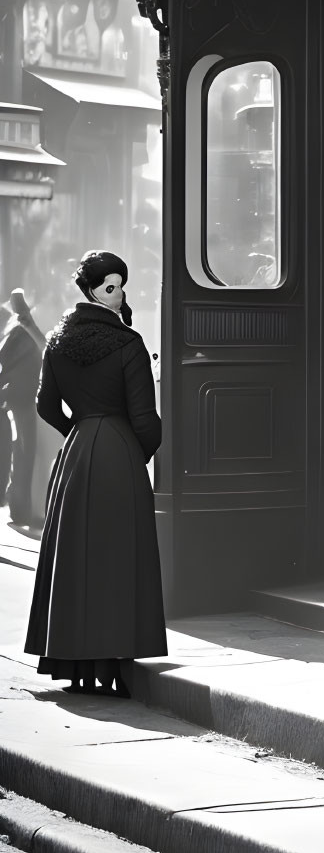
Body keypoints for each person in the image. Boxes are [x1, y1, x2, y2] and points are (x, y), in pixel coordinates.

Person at [24, 251, 165, 696]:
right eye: (111, 287)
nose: (120, 294)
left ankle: (73, 661)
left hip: (77, 454)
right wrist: (135, 449)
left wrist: (79, 432)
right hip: (119, 454)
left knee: (77, 558)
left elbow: (45, 405)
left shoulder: (56, 340)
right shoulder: (128, 343)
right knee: (117, 559)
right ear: (92, 290)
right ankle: (115, 658)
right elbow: (145, 419)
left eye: (121, 285)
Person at [0, 291, 46, 528]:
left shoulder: (14, 330)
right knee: (26, 451)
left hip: (18, 395)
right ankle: (21, 506)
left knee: (22, 451)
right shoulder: (21, 329)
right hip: (24, 396)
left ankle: (20, 504)